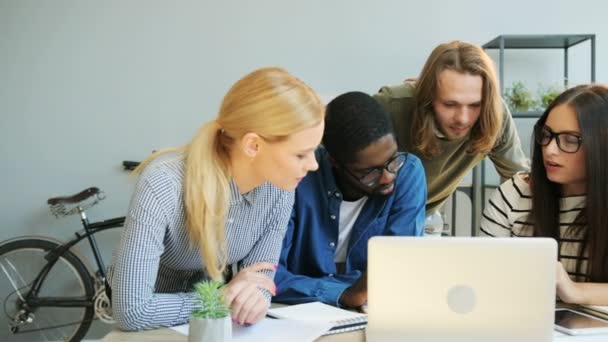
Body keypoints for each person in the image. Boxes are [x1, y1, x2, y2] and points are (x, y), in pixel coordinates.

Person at [108, 67, 325, 330]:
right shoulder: (163, 183)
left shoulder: (281, 189)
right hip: (149, 328)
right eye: (301, 155)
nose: (313, 165)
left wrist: (254, 299)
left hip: (214, 325)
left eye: (314, 151)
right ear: (253, 145)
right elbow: (133, 311)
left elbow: (260, 281)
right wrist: (222, 300)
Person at [273, 91, 427, 310]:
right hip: (295, 314)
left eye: (392, 160)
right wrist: (343, 293)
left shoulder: (408, 173)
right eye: (369, 172)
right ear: (334, 162)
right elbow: (268, 274)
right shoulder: (299, 178)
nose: (388, 177)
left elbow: (401, 268)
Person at [481, 84, 608, 305]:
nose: (549, 149)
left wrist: (575, 291)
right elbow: (483, 279)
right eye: (546, 135)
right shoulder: (514, 194)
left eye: (570, 140)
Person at [373, 40, 529, 214]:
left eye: (475, 105)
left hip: (422, 218)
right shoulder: (390, 105)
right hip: (366, 214)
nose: (462, 119)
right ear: (429, 97)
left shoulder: (494, 114)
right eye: (449, 104)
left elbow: (519, 180)